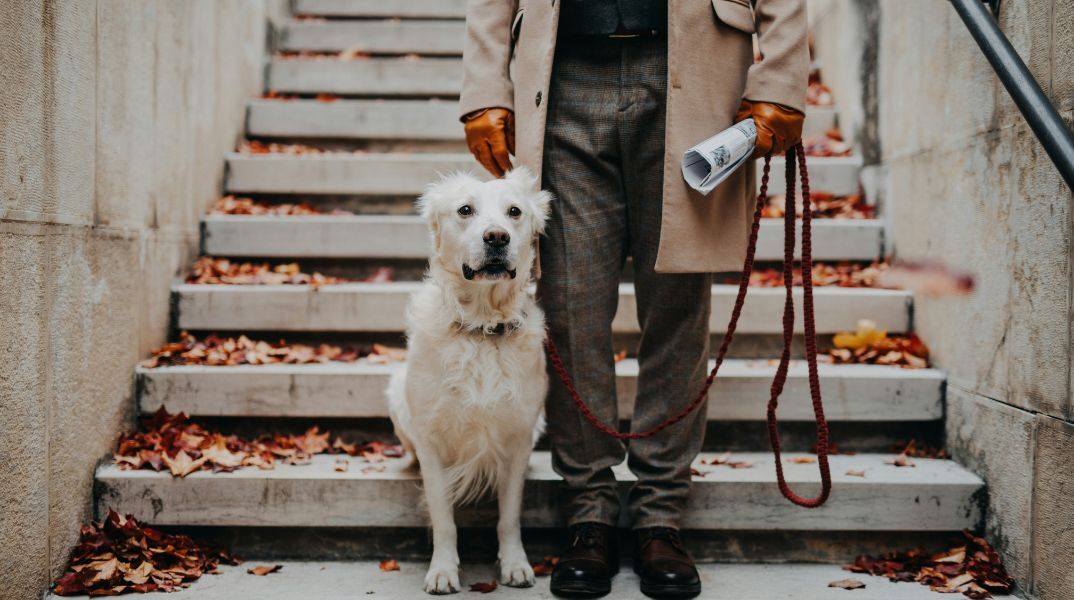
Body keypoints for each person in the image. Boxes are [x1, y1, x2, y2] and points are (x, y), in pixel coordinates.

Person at [459, 1, 807, 597]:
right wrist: (486, 86)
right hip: (563, 76)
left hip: (694, 74)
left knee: (678, 308)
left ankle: (660, 514)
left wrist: (780, 81)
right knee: (570, 308)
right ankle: (588, 511)